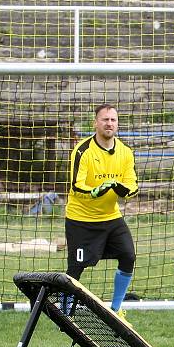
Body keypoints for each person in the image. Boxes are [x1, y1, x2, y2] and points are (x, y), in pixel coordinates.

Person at [65, 104, 139, 316]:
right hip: (81, 219)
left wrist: (122, 189)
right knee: (76, 268)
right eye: (105, 119)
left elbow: (132, 185)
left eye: (113, 120)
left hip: (110, 217)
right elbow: (76, 186)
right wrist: (96, 191)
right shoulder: (83, 150)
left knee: (128, 256)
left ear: (117, 124)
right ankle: (65, 309)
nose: (109, 123)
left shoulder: (125, 153)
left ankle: (116, 310)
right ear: (95, 123)